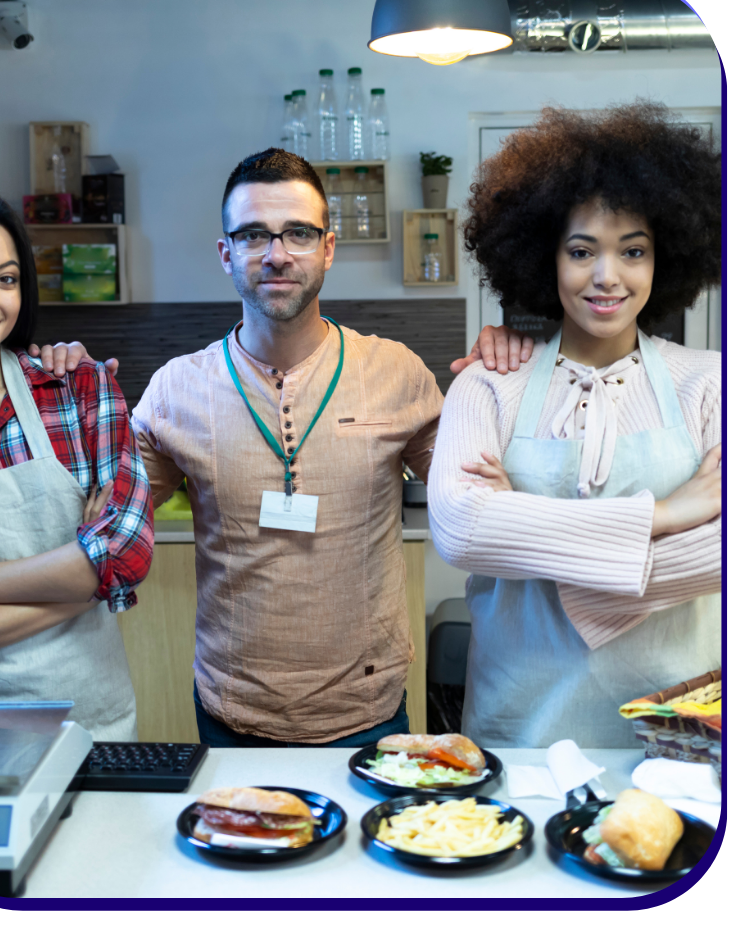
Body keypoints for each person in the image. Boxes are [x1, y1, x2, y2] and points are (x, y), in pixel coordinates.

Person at [33, 149, 534, 746]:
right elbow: (88, 516)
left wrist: (516, 367)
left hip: (369, 708)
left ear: (327, 248)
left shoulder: (395, 372)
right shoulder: (177, 389)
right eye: (253, 235)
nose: (276, 254)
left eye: (298, 232)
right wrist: (58, 397)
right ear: (226, 253)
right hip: (232, 710)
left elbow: (481, 500)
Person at [428, 102, 721, 748]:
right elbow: (460, 526)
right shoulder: (487, 382)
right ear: (543, 258)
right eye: (581, 250)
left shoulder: (712, 383)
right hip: (518, 725)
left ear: (663, 258)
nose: (605, 276)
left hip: (677, 733)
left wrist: (539, 546)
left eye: (632, 251)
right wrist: (664, 514)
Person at [0, 184, 154, 741]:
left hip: (92, 724)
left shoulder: (79, 389)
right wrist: (80, 582)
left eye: (6, 278)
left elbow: (127, 551)